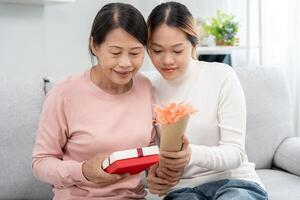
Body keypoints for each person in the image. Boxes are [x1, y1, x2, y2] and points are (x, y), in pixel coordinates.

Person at [32, 3, 156, 200]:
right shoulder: (64, 94)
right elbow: (40, 163)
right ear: (94, 45)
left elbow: (149, 150)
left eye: (135, 53)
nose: (125, 63)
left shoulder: (146, 87)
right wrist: (84, 171)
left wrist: (164, 166)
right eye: (115, 52)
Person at [146, 2, 269, 199]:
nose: (167, 60)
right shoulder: (147, 88)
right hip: (182, 190)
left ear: (194, 44)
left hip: (235, 182)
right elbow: (150, 156)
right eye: (157, 51)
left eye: (177, 50)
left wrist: (190, 155)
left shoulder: (222, 76)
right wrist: (151, 177)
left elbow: (235, 153)